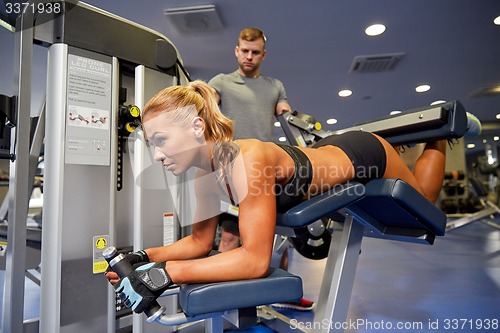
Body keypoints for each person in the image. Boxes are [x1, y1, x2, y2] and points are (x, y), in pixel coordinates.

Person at [105, 80, 457, 315]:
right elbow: (198, 242)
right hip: (327, 153)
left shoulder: (246, 160)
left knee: (423, 203)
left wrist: (166, 274)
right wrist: (143, 258)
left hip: (365, 154)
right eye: (152, 146)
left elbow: (255, 260)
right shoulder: (204, 178)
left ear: (197, 128)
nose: (157, 156)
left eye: (162, 141)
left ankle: (440, 133)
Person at [207, 27, 313, 310]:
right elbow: (207, 101)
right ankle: (220, 298)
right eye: (244, 51)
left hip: (267, 170)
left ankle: (284, 293)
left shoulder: (274, 86)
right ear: (236, 51)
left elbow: (286, 114)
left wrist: (298, 123)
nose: (249, 57)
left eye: (255, 52)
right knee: (231, 234)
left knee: (281, 234)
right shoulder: (222, 82)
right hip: (232, 169)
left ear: (263, 54)